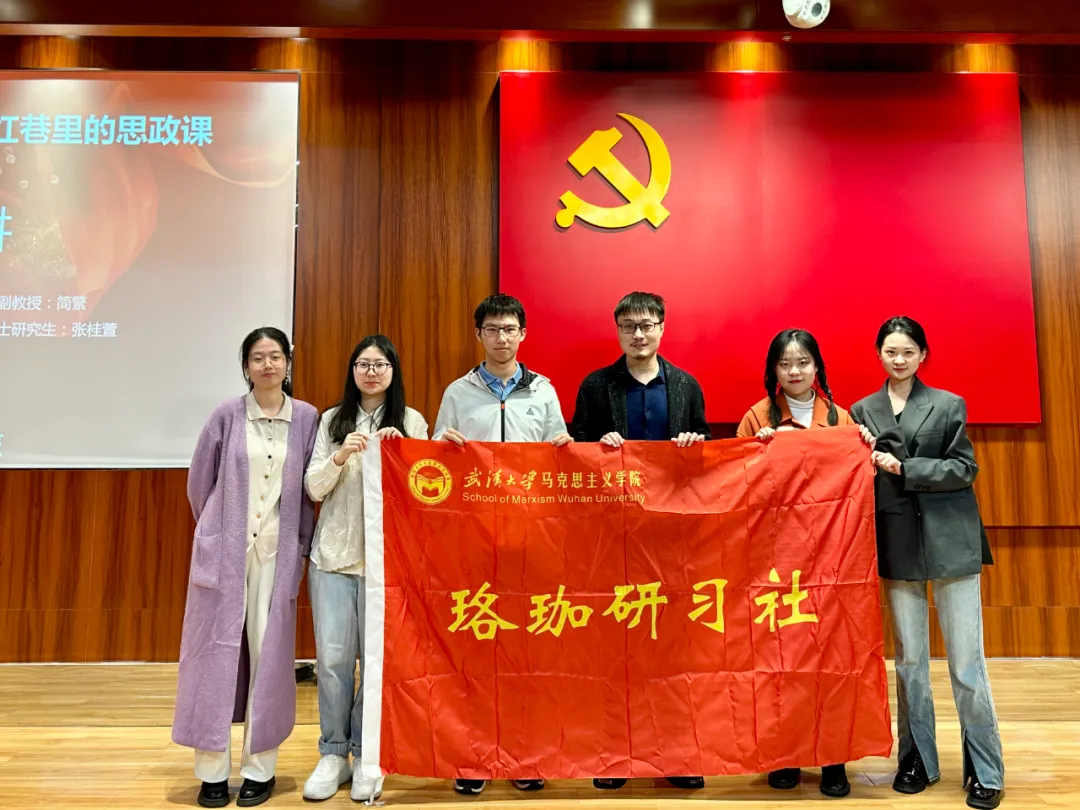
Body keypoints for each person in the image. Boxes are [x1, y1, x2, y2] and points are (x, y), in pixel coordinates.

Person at [850, 316, 1003, 810]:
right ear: (879, 354)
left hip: (950, 538)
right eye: (890, 351)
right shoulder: (861, 411)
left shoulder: (948, 403)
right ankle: (916, 760)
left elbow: (964, 468)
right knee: (910, 661)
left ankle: (984, 768)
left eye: (908, 352)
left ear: (922, 355)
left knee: (966, 662)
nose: (899, 359)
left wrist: (905, 467)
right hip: (897, 540)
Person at [433, 293, 574, 795]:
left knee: (525, 650)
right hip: (474, 539)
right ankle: (471, 755)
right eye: (492, 329)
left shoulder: (543, 391)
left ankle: (524, 753)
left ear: (523, 334)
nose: (501, 337)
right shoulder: (458, 392)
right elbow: (435, 460)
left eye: (509, 329)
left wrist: (563, 448)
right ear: (479, 335)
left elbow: (560, 455)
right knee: (473, 648)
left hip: (529, 538)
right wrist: (442, 447)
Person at [173, 327, 319, 809]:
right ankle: (211, 773)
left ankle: (260, 770)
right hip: (225, 557)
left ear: (288, 364)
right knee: (211, 657)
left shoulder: (307, 418)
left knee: (269, 659)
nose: (268, 365)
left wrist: (296, 547)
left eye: (275, 356)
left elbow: (308, 490)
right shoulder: (226, 415)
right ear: (246, 367)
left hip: (277, 557)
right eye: (258, 357)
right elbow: (200, 484)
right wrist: (218, 532)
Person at [569, 291, 709, 791]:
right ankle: (615, 754)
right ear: (618, 331)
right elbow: (573, 452)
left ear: (662, 328)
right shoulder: (596, 385)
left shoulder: (686, 385)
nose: (639, 334)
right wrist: (597, 446)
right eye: (629, 326)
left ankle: (677, 754)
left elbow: (707, 455)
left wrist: (694, 444)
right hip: (615, 537)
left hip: (671, 537)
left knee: (674, 650)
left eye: (647, 324)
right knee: (616, 649)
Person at [736, 327, 875, 799]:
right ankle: (785, 754)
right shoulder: (756, 417)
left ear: (817, 367)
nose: (794, 372)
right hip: (775, 563)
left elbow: (858, 482)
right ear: (773, 371)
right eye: (785, 364)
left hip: (831, 562)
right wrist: (756, 453)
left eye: (803, 362)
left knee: (832, 659)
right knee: (780, 661)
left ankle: (834, 757)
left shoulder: (840, 418)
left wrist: (864, 445)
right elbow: (734, 485)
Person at [302, 336, 429, 803]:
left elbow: (425, 491)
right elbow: (313, 488)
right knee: (333, 662)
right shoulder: (331, 420)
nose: (371, 372)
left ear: (394, 370)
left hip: (387, 564)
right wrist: (340, 456)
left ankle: (365, 753)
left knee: (377, 663)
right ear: (352, 371)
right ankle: (332, 752)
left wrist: (405, 455)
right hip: (333, 558)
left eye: (380, 364)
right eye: (363, 364)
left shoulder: (412, 421)